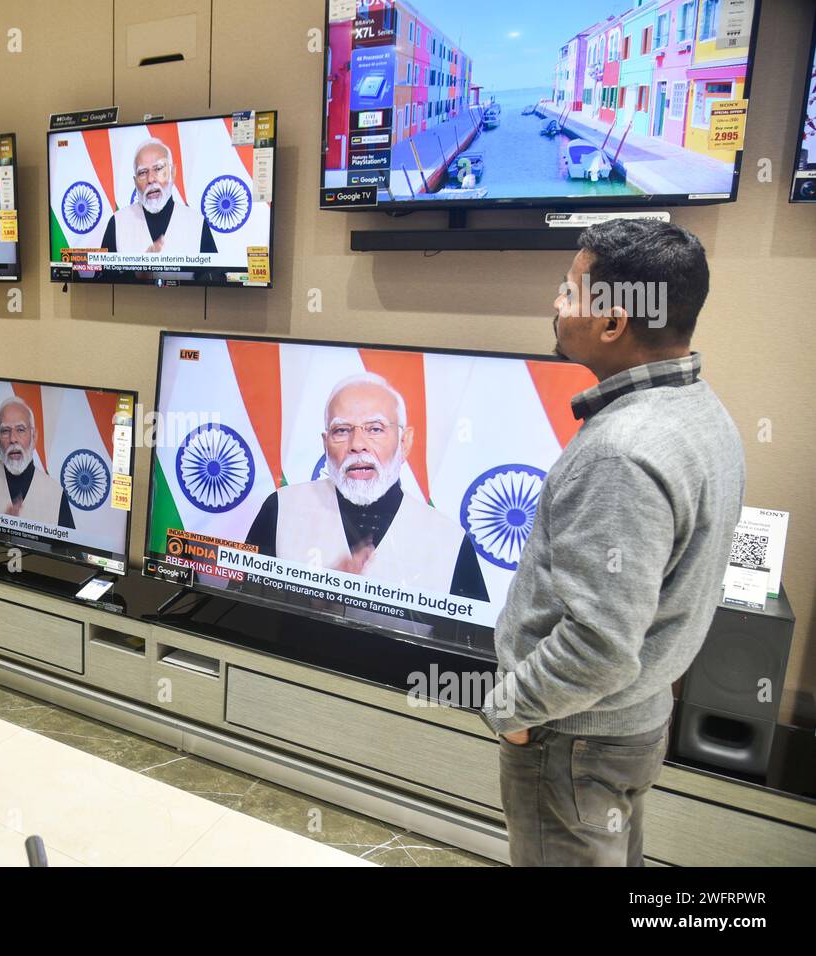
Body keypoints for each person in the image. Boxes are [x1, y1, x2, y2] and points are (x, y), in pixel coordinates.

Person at [482, 219, 745, 866]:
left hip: (570, 738)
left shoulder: (622, 455)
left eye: (570, 291)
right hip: (631, 724)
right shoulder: (703, 410)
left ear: (612, 324)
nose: (555, 303)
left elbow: (599, 644)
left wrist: (512, 713)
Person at [245, 372, 488, 600]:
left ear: (404, 442)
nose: (357, 445)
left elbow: (467, 641)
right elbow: (241, 609)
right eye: (341, 430)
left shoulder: (449, 540)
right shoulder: (281, 508)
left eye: (375, 429)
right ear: (325, 443)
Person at [0, 396, 75, 529]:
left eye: (20, 429)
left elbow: (67, 549)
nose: (13, 439)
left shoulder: (56, 493)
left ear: (34, 436)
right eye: (5, 431)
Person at [99, 139, 218, 255]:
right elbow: (103, 274)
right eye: (142, 172)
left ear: (173, 173)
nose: (151, 179)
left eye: (158, 169)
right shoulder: (117, 223)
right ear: (135, 182)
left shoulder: (196, 222)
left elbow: (214, 275)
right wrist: (136, 273)